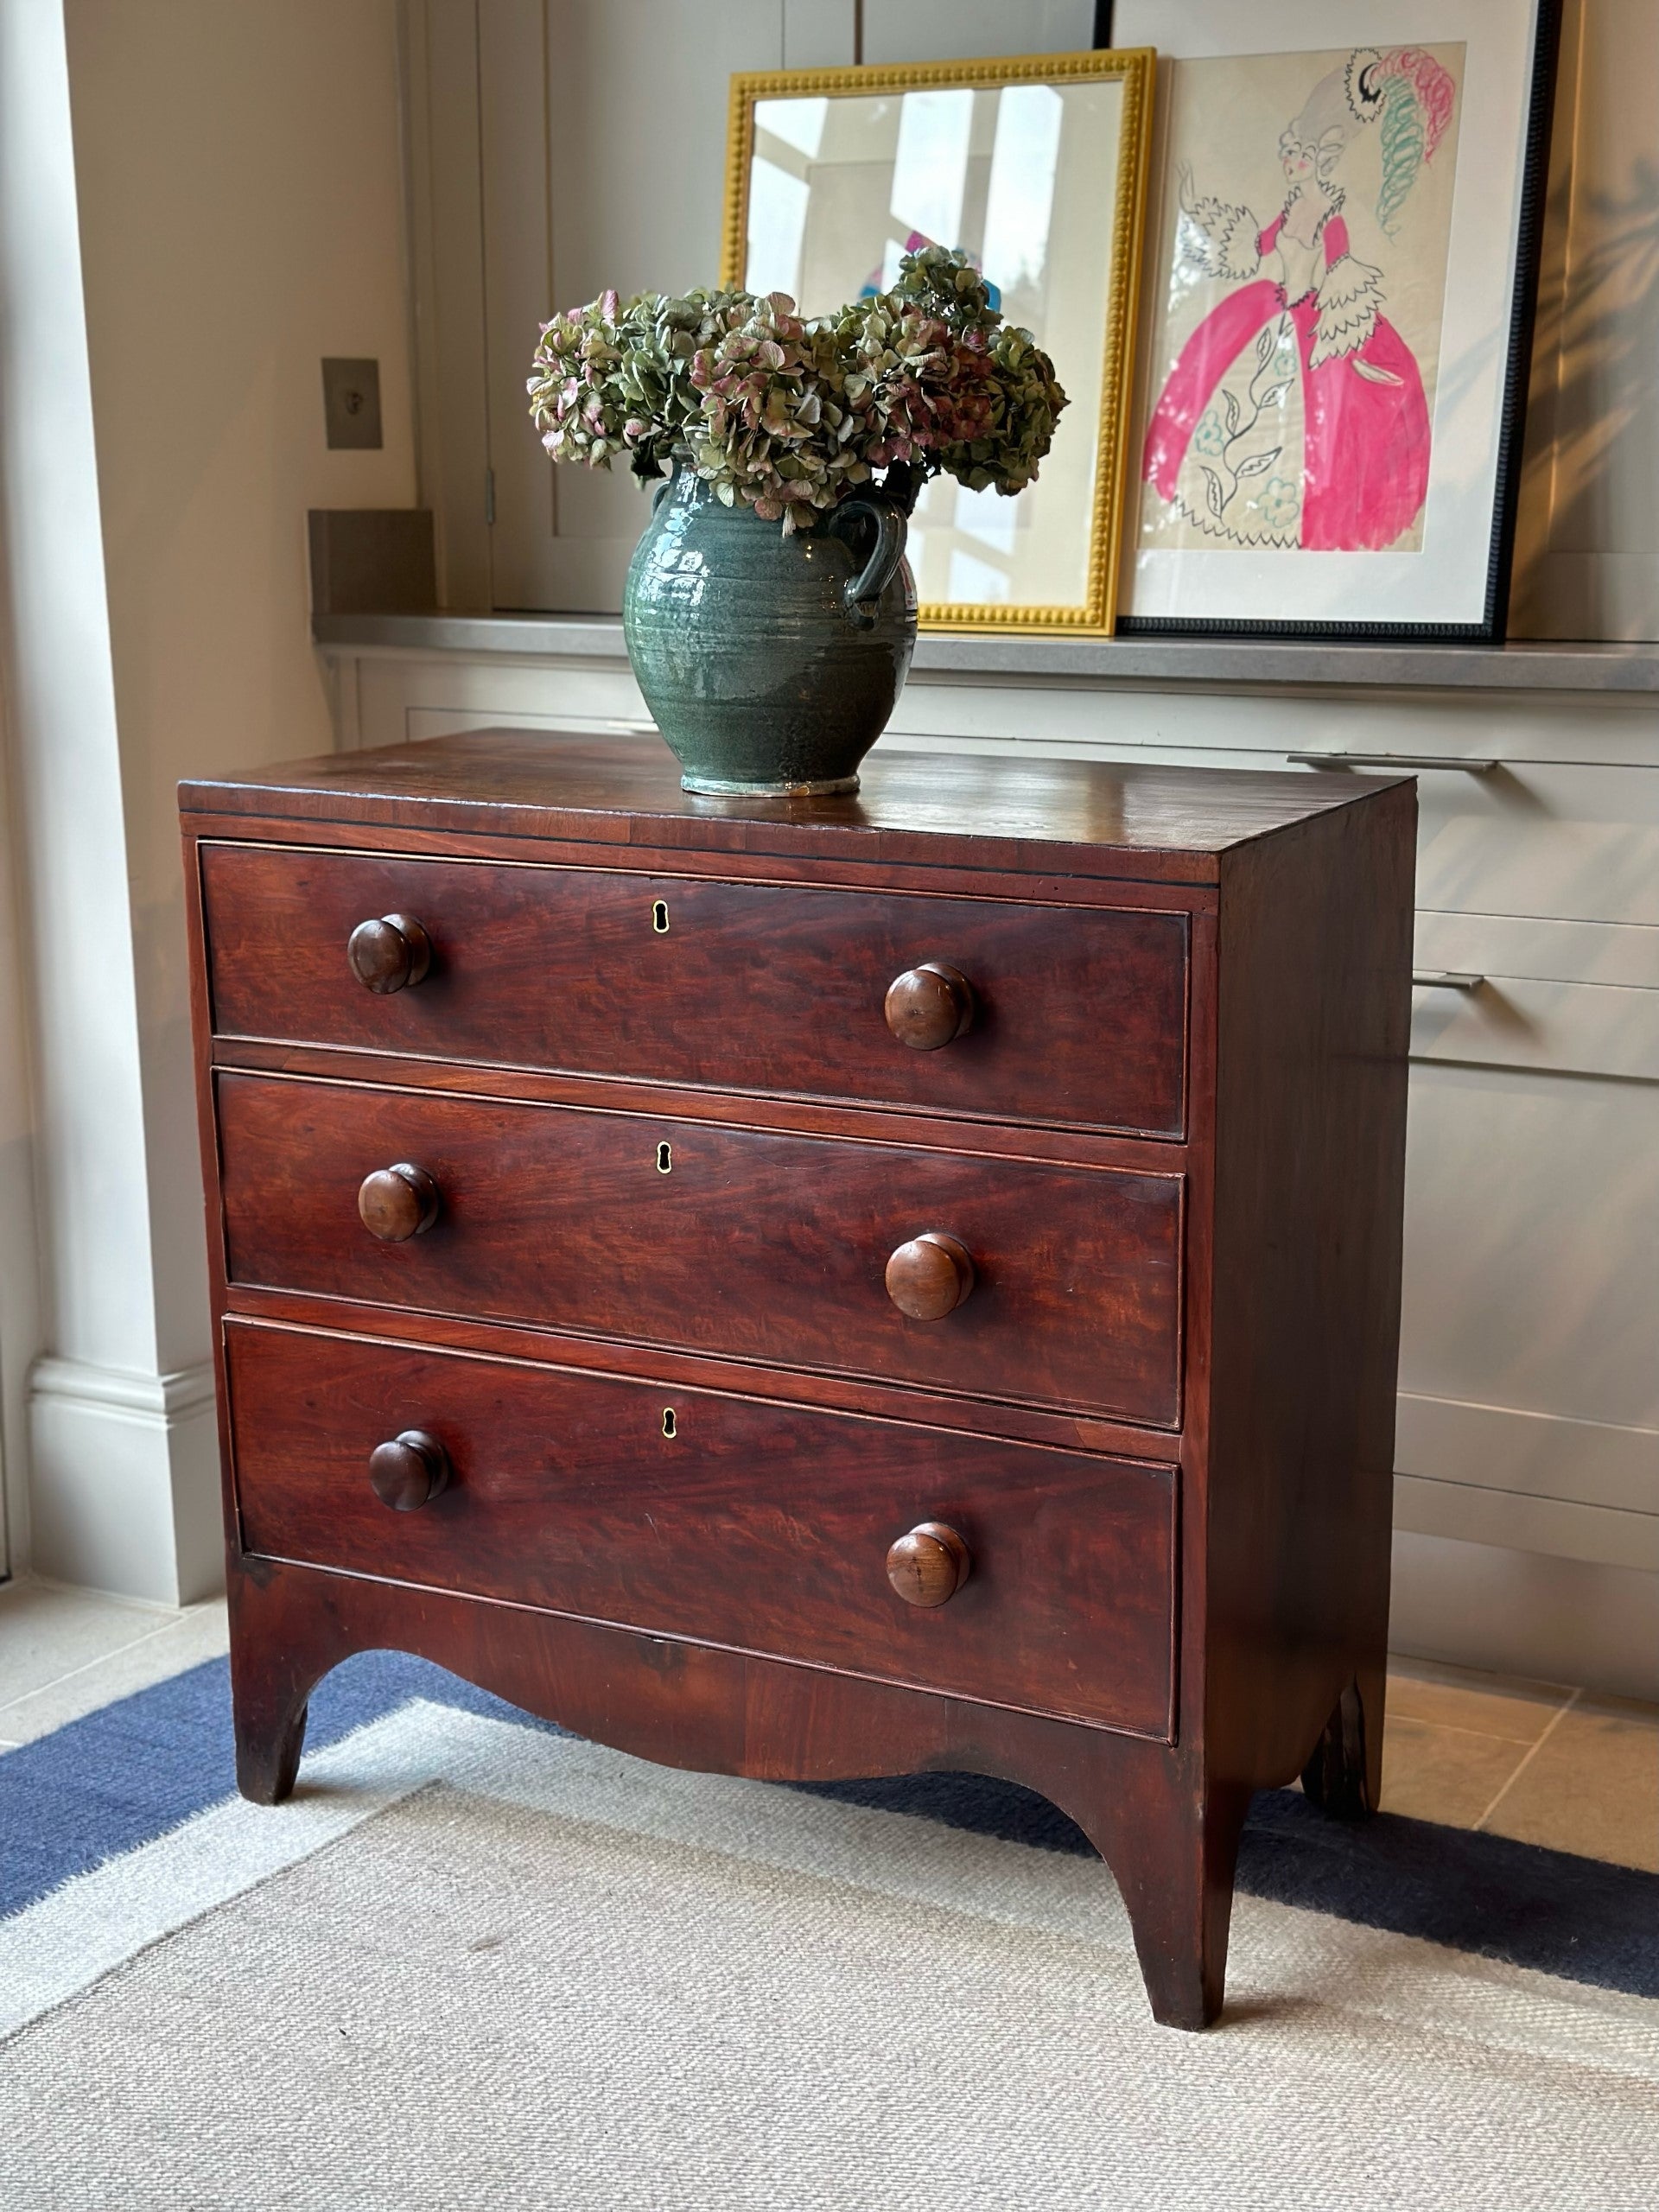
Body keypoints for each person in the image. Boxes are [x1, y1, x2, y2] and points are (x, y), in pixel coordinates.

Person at [1143, 46, 1456, 553]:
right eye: (1288, 152)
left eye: (1301, 156)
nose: (1290, 163)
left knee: (1311, 423)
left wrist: (1339, 318)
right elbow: (1260, 245)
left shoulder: (1332, 218)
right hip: (1269, 310)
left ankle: (1291, 518)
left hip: (1312, 322)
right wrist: (1200, 212)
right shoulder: (1290, 208)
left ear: (1323, 158)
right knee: (1226, 393)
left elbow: (1339, 271)